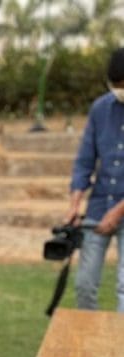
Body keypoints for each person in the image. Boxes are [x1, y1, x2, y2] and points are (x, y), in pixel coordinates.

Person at [67, 47, 124, 312]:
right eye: (116, 85)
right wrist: (75, 202)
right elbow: (85, 159)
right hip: (99, 206)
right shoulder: (100, 109)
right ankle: (91, 344)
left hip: (120, 208)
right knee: (84, 284)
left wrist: (117, 212)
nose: (119, 90)